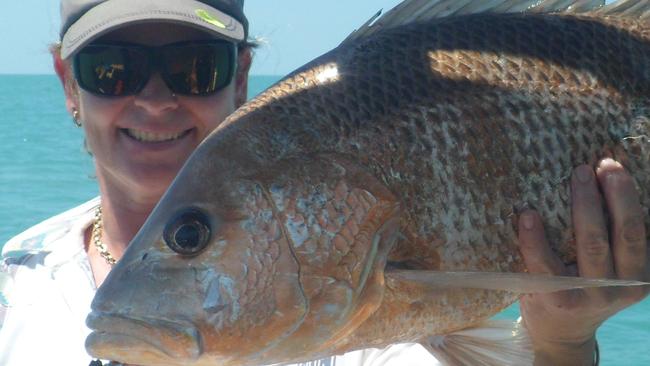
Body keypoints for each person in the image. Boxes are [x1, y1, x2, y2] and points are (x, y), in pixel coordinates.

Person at [0, 1, 647, 365]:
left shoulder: (363, 341)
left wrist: (563, 342)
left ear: (241, 71)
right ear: (66, 82)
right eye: (111, 69)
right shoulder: (11, 300)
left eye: (194, 67)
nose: (155, 98)